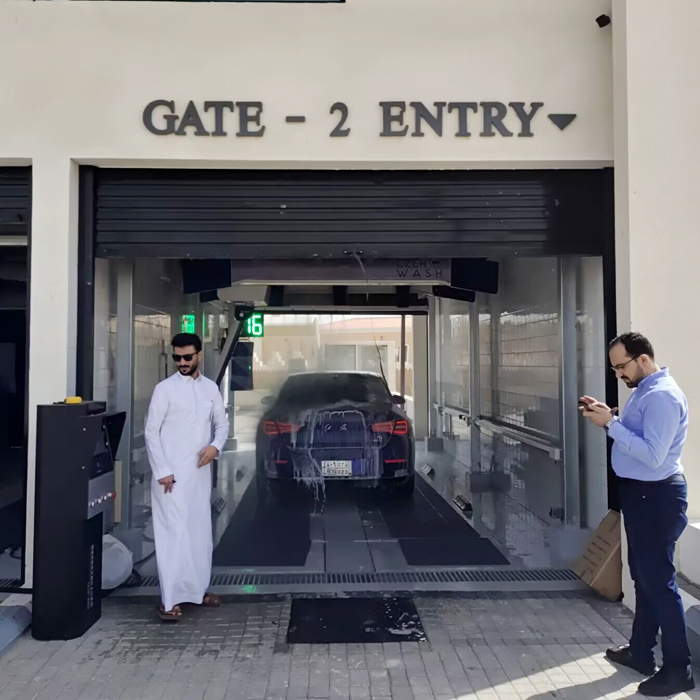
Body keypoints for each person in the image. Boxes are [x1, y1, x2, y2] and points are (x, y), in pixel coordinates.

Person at [581, 332, 694, 696]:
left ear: (643, 359)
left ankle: (679, 669)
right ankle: (642, 652)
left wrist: (610, 425)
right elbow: (640, 433)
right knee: (642, 578)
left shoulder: (661, 396)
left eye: (621, 366)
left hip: (657, 497)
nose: (619, 374)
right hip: (642, 495)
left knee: (658, 582)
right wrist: (609, 414)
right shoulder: (644, 392)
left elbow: (654, 454)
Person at [145, 332, 229, 621]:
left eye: (187, 357)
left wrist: (214, 447)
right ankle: (168, 602)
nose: (181, 362)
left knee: (199, 534)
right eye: (177, 357)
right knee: (173, 535)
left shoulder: (210, 389)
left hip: (199, 477)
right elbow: (151, 432)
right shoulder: (164, 390)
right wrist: (163, 471)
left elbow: (222, 424)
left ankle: (196, 591)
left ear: (198, 356)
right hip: (170, 478)